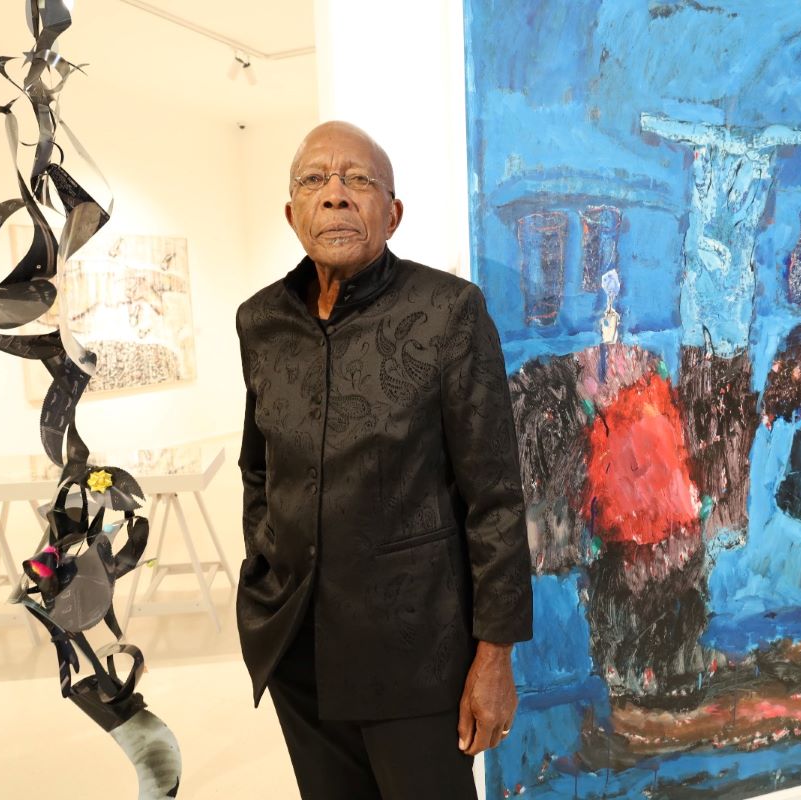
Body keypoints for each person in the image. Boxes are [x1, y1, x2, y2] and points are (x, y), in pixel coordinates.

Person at [235, 120, 533, 799]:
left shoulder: (449, 313)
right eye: (314, 180)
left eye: (358, 180)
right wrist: (264, 564)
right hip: (298, 649)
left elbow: (495, 497)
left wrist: (495, 656)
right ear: (292, 213)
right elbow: (259, 467)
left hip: (415, 657)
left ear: (392, 214)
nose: (335, 194)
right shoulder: (260, 322)